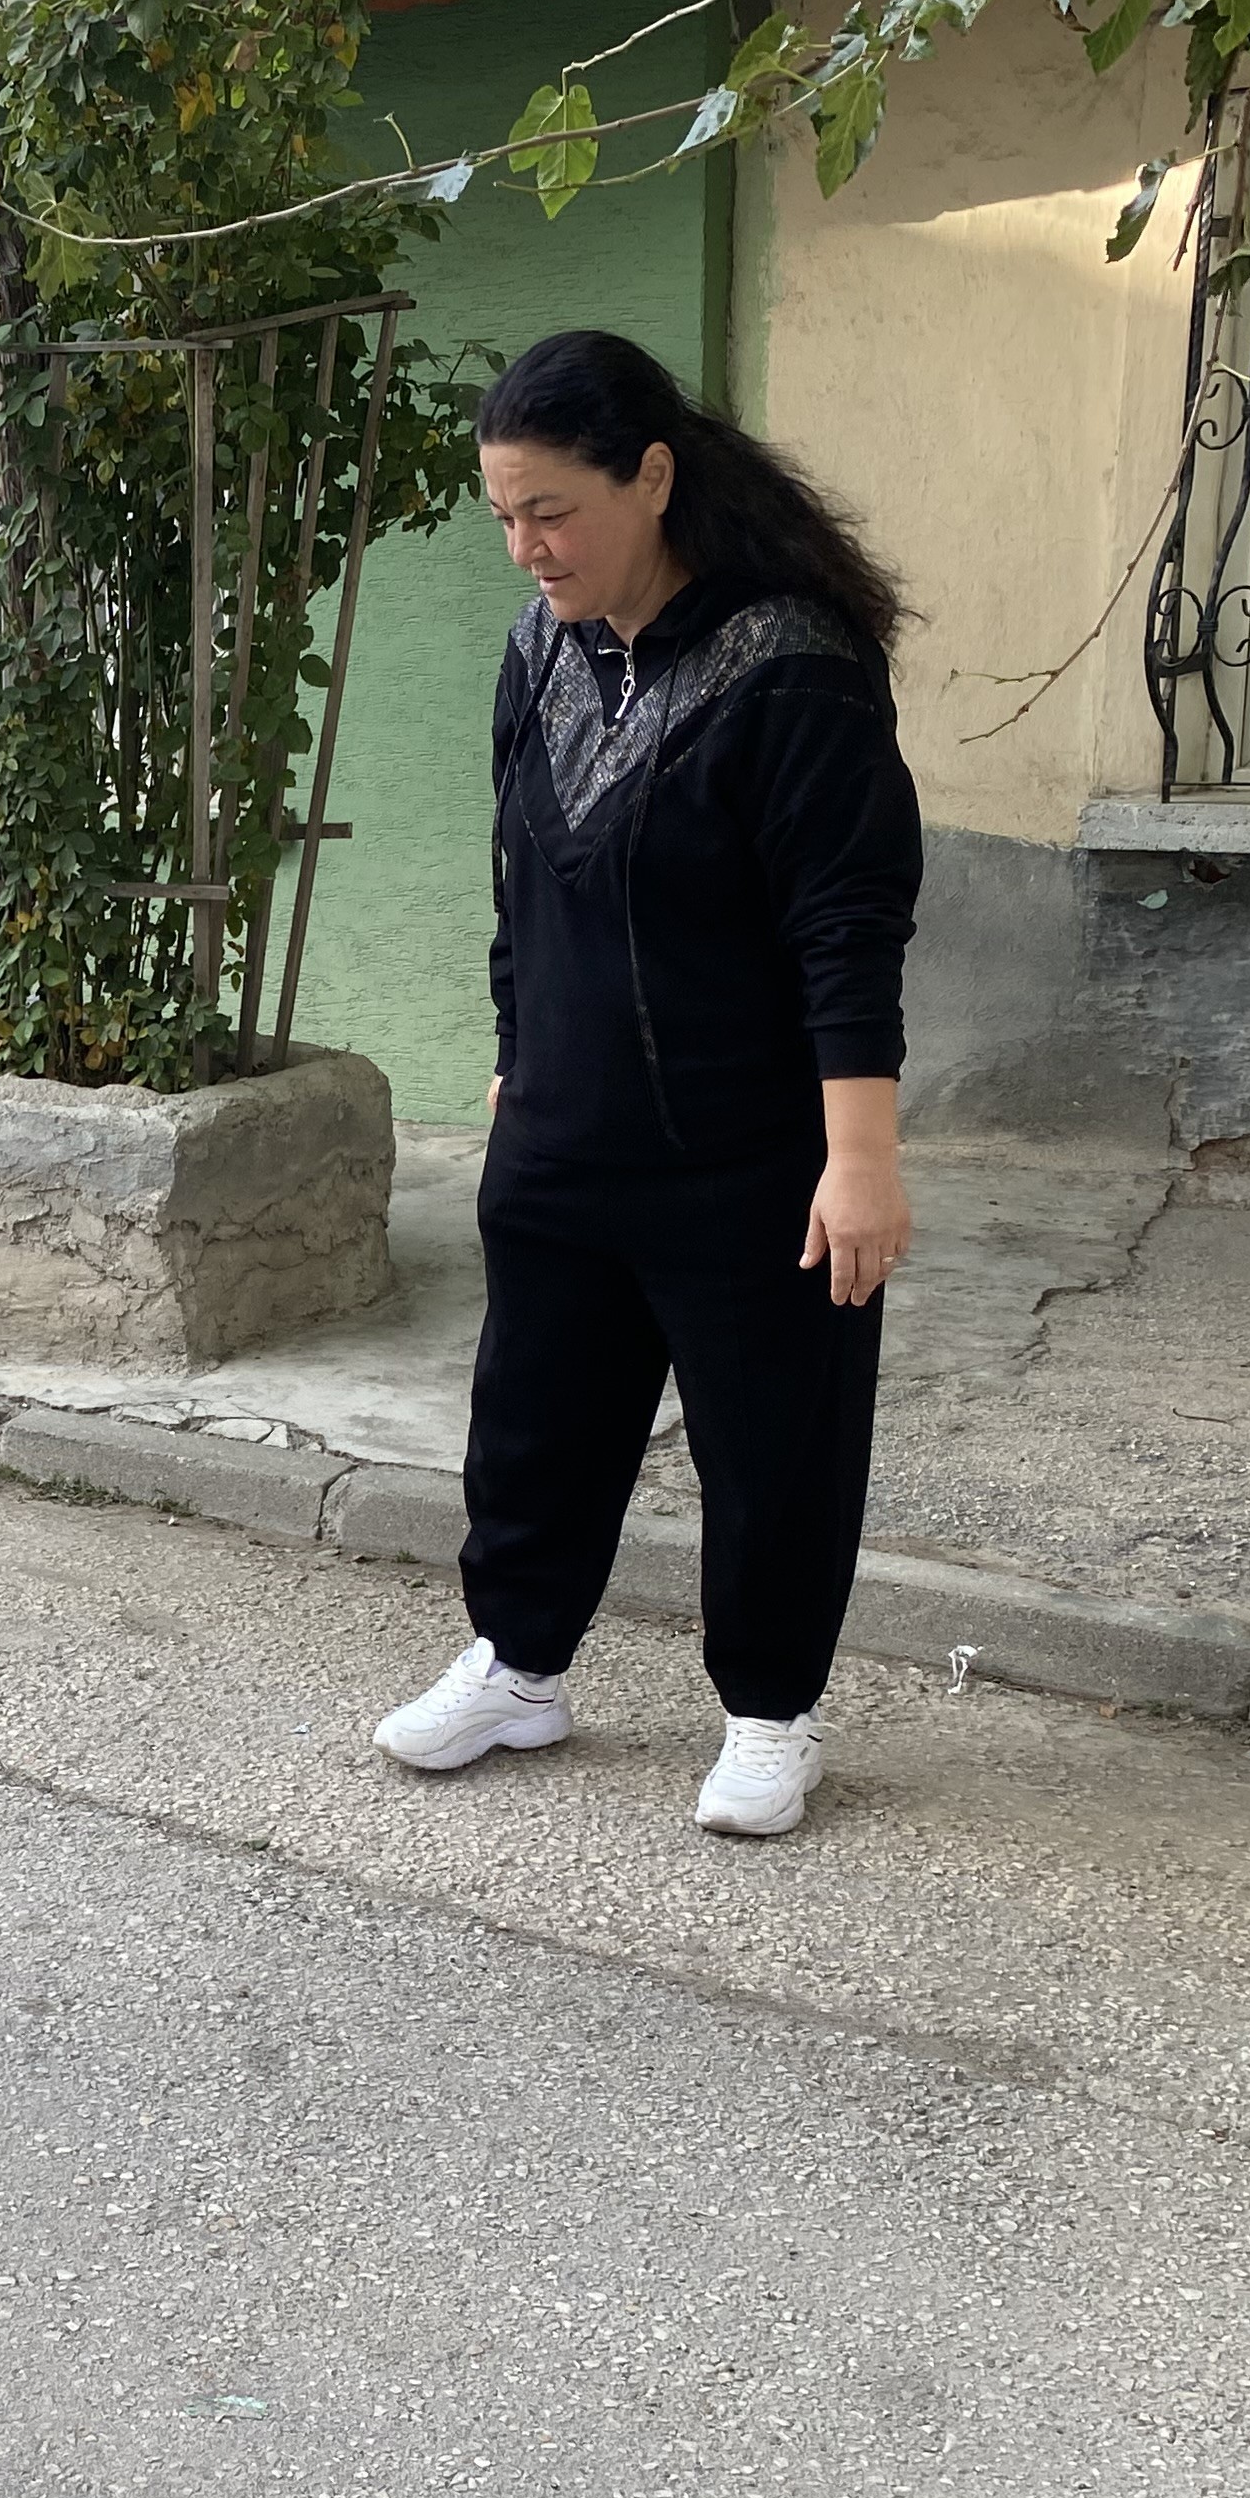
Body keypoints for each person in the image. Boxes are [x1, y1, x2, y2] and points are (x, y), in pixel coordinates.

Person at [374, 329, 922, 1838]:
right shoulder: (535, 649)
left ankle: (769, 1713)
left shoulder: (796, 665)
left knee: (773, 1441)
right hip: (562, 1125)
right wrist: (511, 1055)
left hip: (750, 1152)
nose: (526, 544)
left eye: (550, 507)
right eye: (503, 512)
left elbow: (847, 924)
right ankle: (522, 1663)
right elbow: (519, 882)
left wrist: (858, 1154)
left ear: (654, 476)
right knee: (535, 1419)